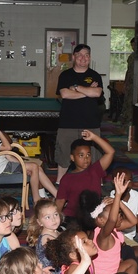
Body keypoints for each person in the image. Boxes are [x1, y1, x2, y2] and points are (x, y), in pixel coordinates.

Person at [0, 105, 58, 204]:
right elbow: (8, 148)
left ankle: (55, 195)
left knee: (37, 167)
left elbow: (7, 154)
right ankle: (37, 200)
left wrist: (22, 163)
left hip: (4, 163)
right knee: (34, 167)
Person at [56, 44, 104, 184]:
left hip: (91, 124)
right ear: (74, 57)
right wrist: (87, 91)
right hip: (68, 124)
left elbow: (97, 93)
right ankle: (60, 183)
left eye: (87, 55)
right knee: (64, 156)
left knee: (93, 157)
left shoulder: (94, 75)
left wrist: (76, 88)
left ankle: (96, 184)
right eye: (80, 55)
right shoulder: (65, 75)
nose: (83, 58)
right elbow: (64, 94)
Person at [55, 131, 115, 219]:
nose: (86, 158)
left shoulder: (95, 170)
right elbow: (60, 201)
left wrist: (94, 137)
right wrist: (56, 219)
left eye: (88, 155)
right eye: (81, 155)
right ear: (72, 158)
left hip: (94, 215)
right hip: (73, 216)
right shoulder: (67, 178)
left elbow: (110, 152)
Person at [26, 198, 60, 274]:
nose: (53, 219)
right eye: (48, 217)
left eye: (56, 214)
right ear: (39, 222)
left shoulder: (55, 231)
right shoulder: (47, 238)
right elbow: (61, 258)